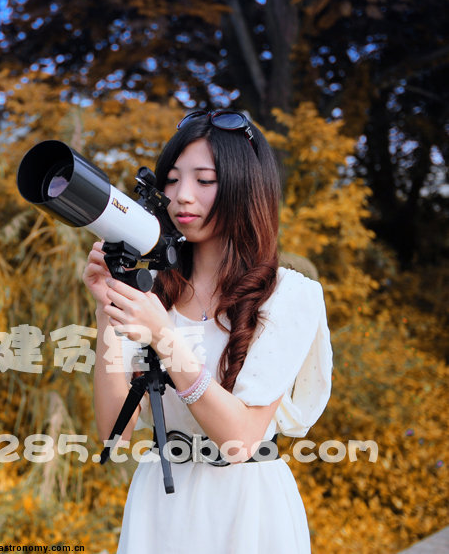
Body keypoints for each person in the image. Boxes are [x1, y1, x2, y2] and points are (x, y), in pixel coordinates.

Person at [82, 110, 333, 554]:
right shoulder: (155, 292)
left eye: (204, 180)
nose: (182, 195)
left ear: (244, 187)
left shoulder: (288, 295)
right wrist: (107, 309)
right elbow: (113, 434)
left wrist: (166, 339)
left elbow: (240, 440)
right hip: (160, 506)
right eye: (172, 179)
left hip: (245, 508)